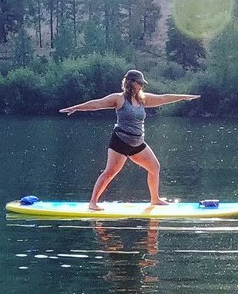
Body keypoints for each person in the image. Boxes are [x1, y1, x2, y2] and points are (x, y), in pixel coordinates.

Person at [59, 69, 200, 210]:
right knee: (109, 172)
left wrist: (182, 97)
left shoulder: (143, 98)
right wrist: (75, 108)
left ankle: (155, 199)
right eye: (139, 83)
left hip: (137, 143)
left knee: (154, 168)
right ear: (130, 82)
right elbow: (97, 104)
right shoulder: (119, 99)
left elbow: (163, 98)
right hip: (120, 142)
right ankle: (93, 203)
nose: (141, 86)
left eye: (142, 84)